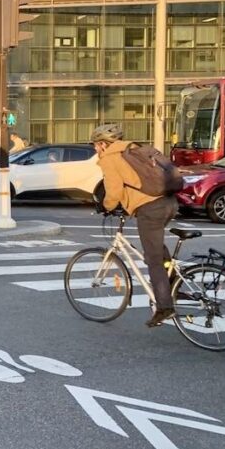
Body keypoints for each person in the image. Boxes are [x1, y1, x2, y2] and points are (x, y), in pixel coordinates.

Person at [92, 123, 178, 328]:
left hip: (151, 208)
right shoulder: (136, 148)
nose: (95, 149)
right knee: (157, 248)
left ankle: (165, 307)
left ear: (103, 144)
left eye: (95, 144)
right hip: (170, 202)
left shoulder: (110, 158)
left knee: (153, 259)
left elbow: (114, 192)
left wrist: (107, 207)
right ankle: (172, 285)